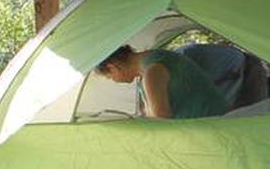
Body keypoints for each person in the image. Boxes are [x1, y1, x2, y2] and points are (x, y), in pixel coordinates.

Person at [95, 45, 229, 119]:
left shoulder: (153, 70)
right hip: (214, 119)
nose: (114, 81)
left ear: (112, 67)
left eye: (110, 77)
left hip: (210, 126)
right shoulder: (153, 59)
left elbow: (161, 119)